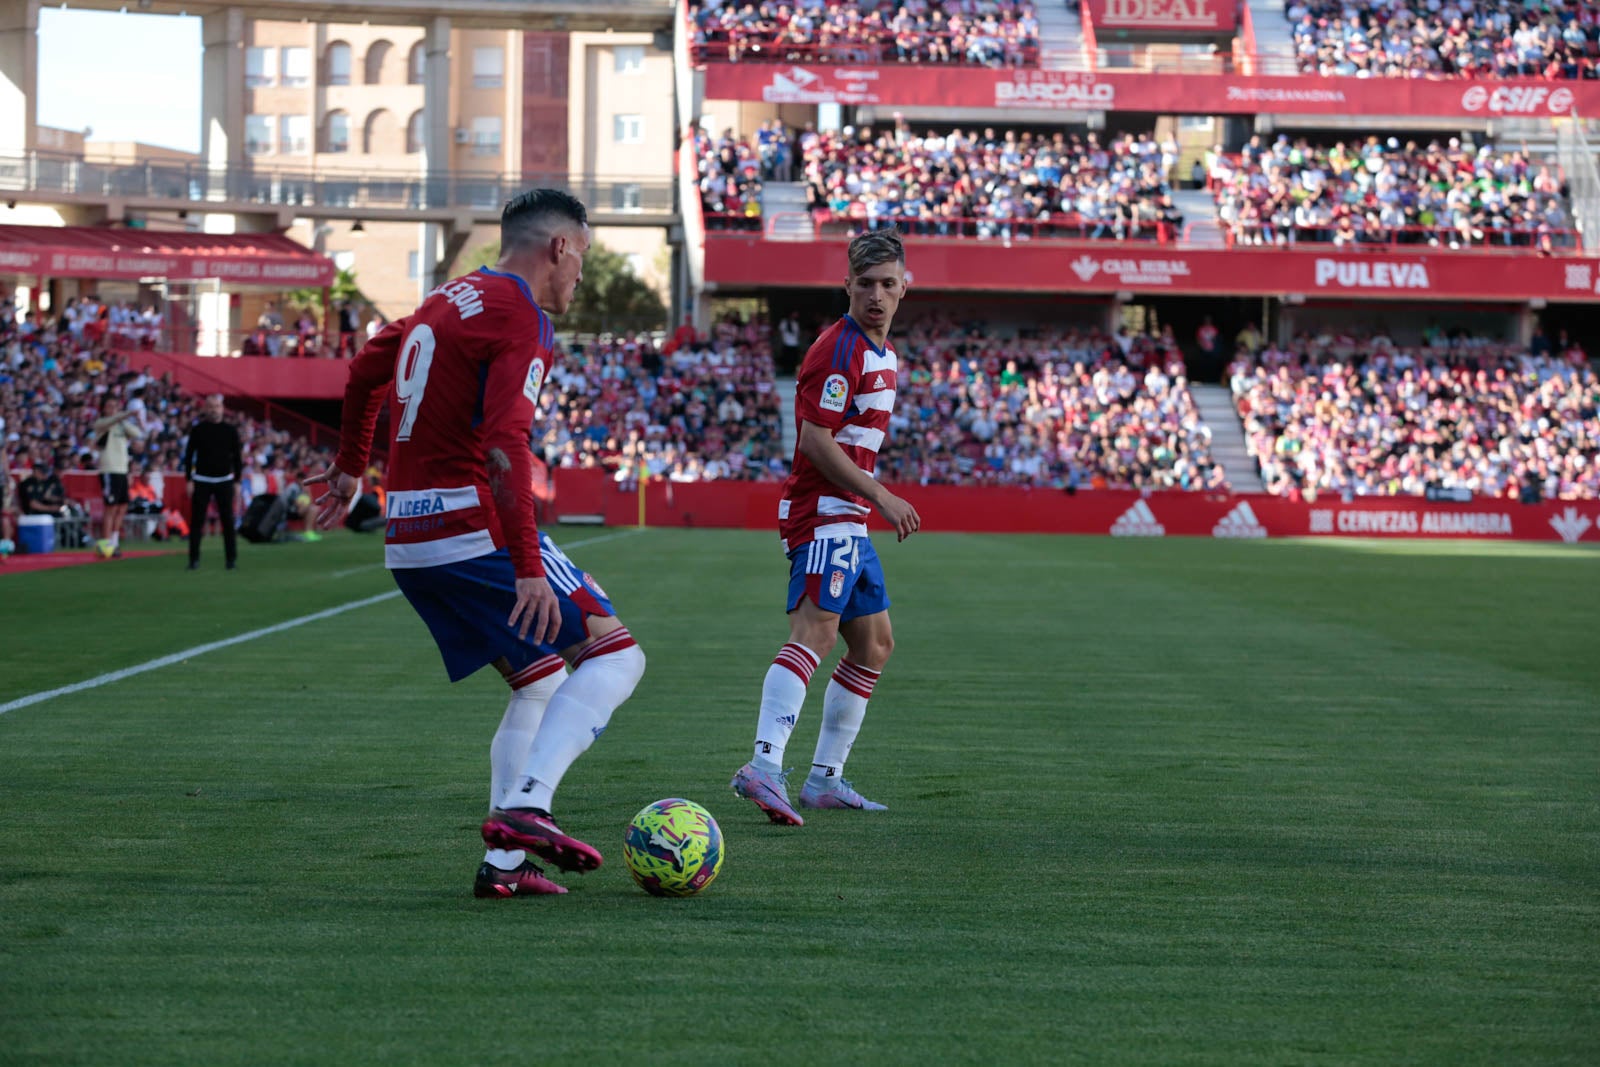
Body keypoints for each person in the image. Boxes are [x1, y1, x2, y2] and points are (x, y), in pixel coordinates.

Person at [307, 189, 646, 899]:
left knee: (541, 679)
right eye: (582, 255)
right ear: (558, 247)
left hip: (409, 538)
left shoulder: (446, 298)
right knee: (617, 654)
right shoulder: (523, 314)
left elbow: (367, 368)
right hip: (469, 528)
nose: (581, 274)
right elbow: (504, 444)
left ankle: (503, 866)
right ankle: (528, 807)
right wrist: (527, 565)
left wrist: (348, 466)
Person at [730, 229, 921, 826]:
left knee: (874, 645)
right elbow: (815, 441)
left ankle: (824, 779)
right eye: (865, 284)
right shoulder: (839, 350)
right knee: (815, 633)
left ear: (904, 288)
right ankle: (763, 766)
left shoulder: (882, 354)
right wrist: (881, 495)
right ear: (848, 286)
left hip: (850, 520)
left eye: (888, 284)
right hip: (822, 515)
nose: (877, 296)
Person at [183, 393, 243, 570]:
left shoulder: (231, 431)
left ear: (222, 409)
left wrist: (238, 481)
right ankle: (194, 560)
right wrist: (189, 479)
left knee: (228, 521)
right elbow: (188, 456)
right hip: (201, 480)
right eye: (210, 406)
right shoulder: (198, 429)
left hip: (225, 480)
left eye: (217, 406)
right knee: (197, 522)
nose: (214, 410)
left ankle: (231, 560)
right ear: (205, 408)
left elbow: (237, 458)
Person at [92, 393, 145, 558]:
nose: (113, 410)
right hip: (109, 469)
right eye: (110, 406)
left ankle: (114, 542)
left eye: (115, 406)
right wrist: (126, 415)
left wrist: (126, 419)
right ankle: (105, 543)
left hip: (122, 470)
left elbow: (138, 433)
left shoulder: (121, 425)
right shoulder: (101, 424)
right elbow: (109, 422)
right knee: (111, 507)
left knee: (122, 507)